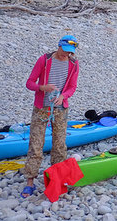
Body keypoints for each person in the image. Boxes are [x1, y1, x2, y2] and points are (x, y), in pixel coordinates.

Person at [20, 35, 80, 198]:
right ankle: (30, 181)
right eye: (64, 51)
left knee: (59, 145)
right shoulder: (44, 60)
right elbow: (29, 83)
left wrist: (64, 96)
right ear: (58, 46)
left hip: (60, 109)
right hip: (42, 108)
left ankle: (58, 179)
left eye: (70, 52)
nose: (66, 55)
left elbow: (73, 87)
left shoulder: (73, 64)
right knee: (36, 144)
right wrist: (42, 87)